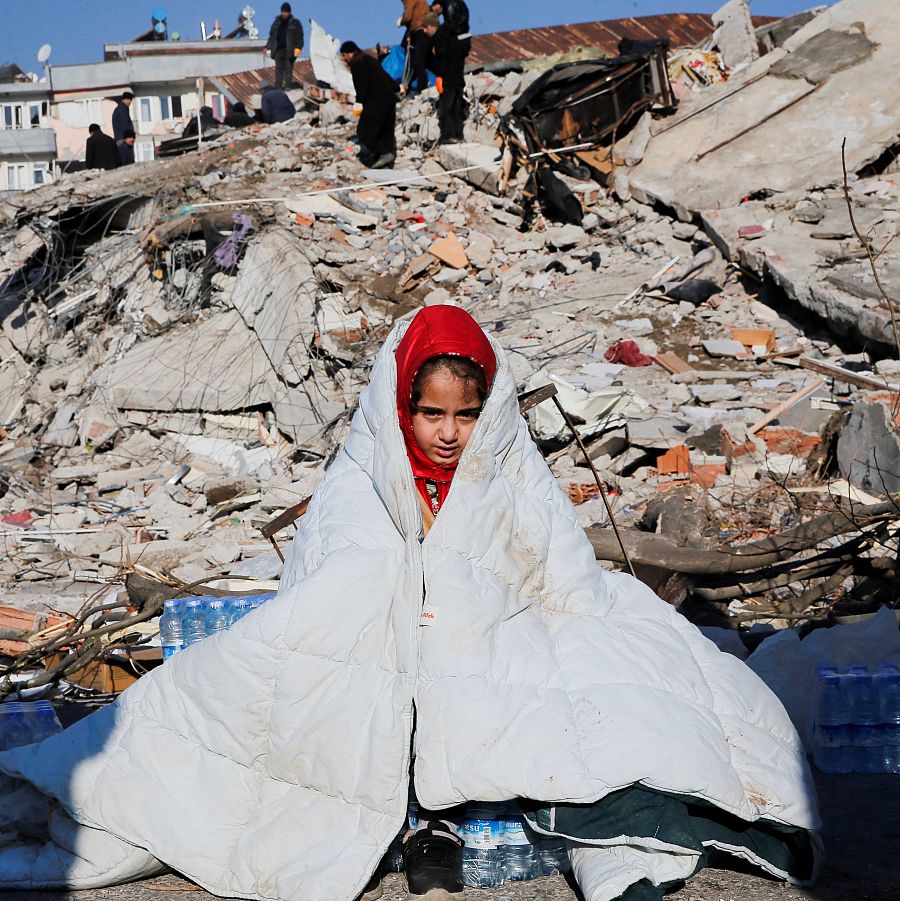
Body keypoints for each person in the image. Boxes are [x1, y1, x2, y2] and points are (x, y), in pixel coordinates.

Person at [0, 306, 820, 899]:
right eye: (431, 412)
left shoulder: (503, 466)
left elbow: (552, 571)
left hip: (492, 646)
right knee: (230, 691)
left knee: (641, 679)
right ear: (401, 409)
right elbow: (335, 574)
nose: (449, 432)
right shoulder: (367, 473)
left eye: (467, 413)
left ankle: (607, 847)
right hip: (387, 647)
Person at [340, 41, 398, 169]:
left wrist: (359, 102)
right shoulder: (369, 59)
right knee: (385, 130)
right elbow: (384, 75)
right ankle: (386, 158)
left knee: (364, 131)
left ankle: (383, 153)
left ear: (350, 53)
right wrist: (396, 87)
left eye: (344, 55)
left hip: (376, 100)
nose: (344, 59)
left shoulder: (357, 63)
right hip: (389, 98)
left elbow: (362, 85)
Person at [422, 12, 466, 144]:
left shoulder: (439, 38)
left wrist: (440, 75)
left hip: (448, 80)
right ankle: (458, 135)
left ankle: (447, 136)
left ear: (431, 26)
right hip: (458, 79)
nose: (424, 31)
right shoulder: (451, 36)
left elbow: (442, 58)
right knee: (456, 110)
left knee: (445, 110)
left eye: (425, 27)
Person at [265, 2, 304, 89]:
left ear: (289, 12)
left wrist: (298, 48)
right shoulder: (276, 23)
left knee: (288, 69)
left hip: (289, 50)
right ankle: (277, 87)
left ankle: (288, 86)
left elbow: (299, 37)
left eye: (286, 12)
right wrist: (267, 47)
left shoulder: (295, 23)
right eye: (283, 12)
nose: (284, 14)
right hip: (278, 50)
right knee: (278, 70)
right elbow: (272, 36)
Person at [399, 0, 430, 94]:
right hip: (425, 30)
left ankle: (421, 88)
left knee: (416, 61)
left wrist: (401, 21)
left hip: (419, 30)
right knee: (424, 61)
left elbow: (408, 16)